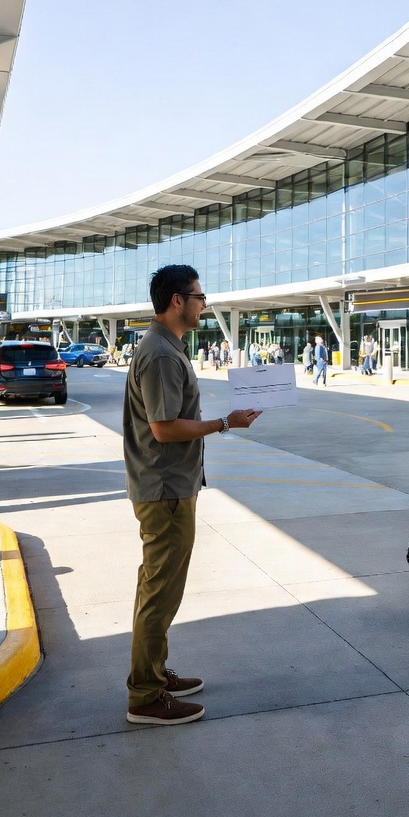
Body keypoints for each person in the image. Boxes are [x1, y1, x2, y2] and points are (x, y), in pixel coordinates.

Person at [123, 264, 261, 726]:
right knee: (160, 591)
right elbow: (163, 429)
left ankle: (155, 675)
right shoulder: (161, 354)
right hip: (164, 489)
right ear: (178, 301)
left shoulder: (167, 348)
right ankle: (144, 695)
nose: (205, 304)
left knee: (159, 586)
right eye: (201, 296)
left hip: (168, 486)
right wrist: (225, 423)